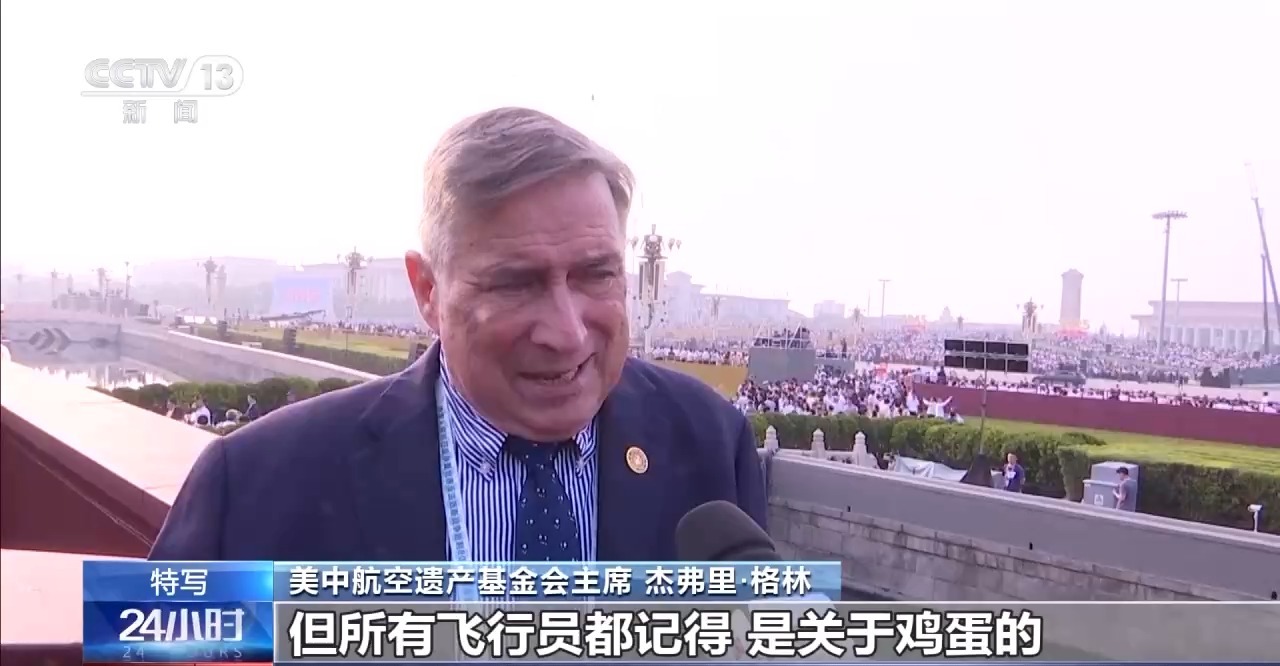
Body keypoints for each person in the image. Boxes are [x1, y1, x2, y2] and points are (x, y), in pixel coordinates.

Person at [149, 107, 766, 562]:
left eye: (596, 274)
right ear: (428, 291)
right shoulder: (259, 483)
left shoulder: (710, 445)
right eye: (515, 283)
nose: (566, 332)